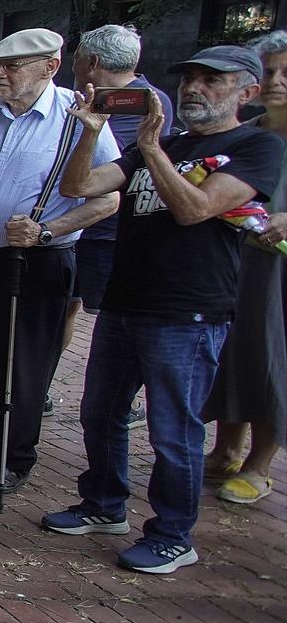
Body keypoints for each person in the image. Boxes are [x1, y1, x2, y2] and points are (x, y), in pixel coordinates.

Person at [41, 44, 280, 574]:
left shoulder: (255, 146)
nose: (194, 87)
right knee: (100, 413)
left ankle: (174, 534)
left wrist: (151, 149)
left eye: (211, 80)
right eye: (189, 77)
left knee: (173, 429)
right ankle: (103, 505)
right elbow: (79, 186)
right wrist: (89, 130)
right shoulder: (168, 142)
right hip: (127, 301)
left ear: (246, 92)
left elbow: (196, 209)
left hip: (189, 313)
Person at [0, 28, 120, 493]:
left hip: (35, 262)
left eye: (11, 66)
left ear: (49, 67)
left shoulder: (78, 117)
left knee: (20, 364)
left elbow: (108, 198)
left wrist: (48, 230)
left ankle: (14, 456)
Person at [51, 24, 176, 419]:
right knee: (65, 309)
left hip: (109, 232)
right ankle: (43, 384)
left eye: (75, 58)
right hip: (71, 225)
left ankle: (122, 394)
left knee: (113, 320)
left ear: (92, 62)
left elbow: (127, 167)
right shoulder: (85, 97)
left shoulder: (143, 102)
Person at [204, 33, 287, 503]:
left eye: (286, 73)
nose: (277, 81)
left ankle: (260, 463)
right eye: (268, 71)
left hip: (279, 272)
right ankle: (227, 448)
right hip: (237, 259)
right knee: (233, 349)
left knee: (272, 354)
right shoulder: (250, 133)